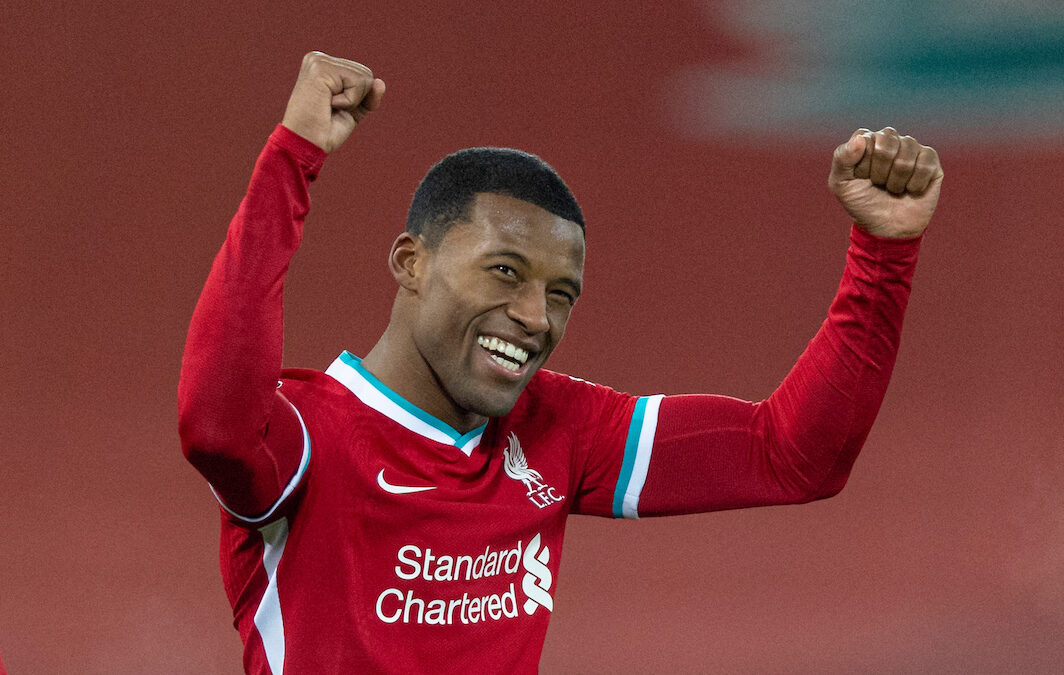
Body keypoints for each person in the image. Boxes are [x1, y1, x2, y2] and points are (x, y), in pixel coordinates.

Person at [178, 52, 942, 674]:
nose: (537, 318)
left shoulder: (558, 428)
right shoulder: (307, 439)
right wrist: (293, 156)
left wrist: (884, 254)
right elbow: (215, 423)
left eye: (562, 292)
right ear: (412, 262)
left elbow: (791, 456)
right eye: (505, 272)